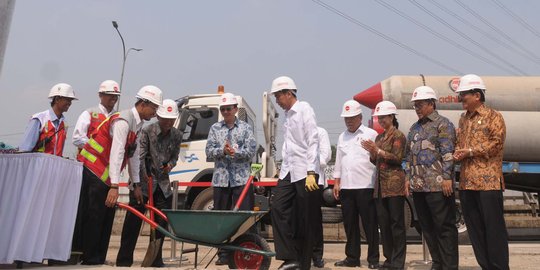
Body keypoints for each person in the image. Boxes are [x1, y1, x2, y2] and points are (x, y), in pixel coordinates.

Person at [74, 85, 163, 265]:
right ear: (143, 103)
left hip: (106, 174)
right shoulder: (123, 120)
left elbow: (134, 155)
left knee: (107, 215)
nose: (154, 113)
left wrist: (136, 185)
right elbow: (117, 153)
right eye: (153, 108)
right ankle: (89, 257)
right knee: (95, 214)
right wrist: (115, 186)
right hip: (94, 170)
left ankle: (98, 257)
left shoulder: (137, 124)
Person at [116, 99, 182, 267]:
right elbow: (139, 156)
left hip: (163, 186)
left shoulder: (177, 135)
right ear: (158, 117)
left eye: (171, 119)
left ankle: (155, 259)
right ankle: (124, 260)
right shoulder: (147, 131)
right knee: (133, 222)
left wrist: (170, 166)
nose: (168, 122)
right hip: (143, 185)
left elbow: (174, 157)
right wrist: (143, 179)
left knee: (160, 225)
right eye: (164, 119)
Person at [453, 74, 508, 270]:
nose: (461, 99)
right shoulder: (463, 119)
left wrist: (469, 151)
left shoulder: (494, 116)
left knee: (494, 230)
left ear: (477, 95)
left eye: (463, 95)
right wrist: (457, 152)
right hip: (467, 183)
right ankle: (485, 266)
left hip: (488, 184)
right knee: (475, 231)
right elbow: (460, 145)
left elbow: (496, 144)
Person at [269, 76, 321, 270]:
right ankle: (290, 256)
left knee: (305, 219)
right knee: (278, 208)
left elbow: (312, 140)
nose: (277, 101)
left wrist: (310, 171)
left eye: (278, 96)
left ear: (288, 93)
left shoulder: (304, 109)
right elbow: (289, 146)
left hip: (305, 172)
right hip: (289, 171)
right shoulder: (287, 115)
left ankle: (304, 263)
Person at [405, 86, 458, 270]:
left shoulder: (443, 124)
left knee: (444, 227)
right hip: (419, 187)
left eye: (420, 104)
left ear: (431, 104)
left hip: (438, 186)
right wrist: (408, 179)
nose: (417, 108)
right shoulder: (414, 128)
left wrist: (447, 178)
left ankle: (449, 265)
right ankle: (437, 262)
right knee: (427, 227)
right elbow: (409, 157)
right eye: (415, 105)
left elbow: (448, 154)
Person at [205, 93, 257, 265]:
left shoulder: (245, 128)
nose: (226, 111)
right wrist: (222, 151)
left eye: (229, 108)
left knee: (243, 219)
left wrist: (235, 153)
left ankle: (244, 253)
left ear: (235, 109)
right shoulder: (215, 129)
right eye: (223, 109)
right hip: (221, 180)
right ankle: (223, 254)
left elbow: (251, 152)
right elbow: (208, 152)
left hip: (241, 180)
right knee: (221, 219)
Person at [333, 100, 380, 269]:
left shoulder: (371, 134)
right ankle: (352, 257)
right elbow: (339, 160)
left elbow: (377, 159)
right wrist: (337, 182)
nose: (349, 121)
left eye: (352, 117)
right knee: (350, 224)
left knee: (369, 224)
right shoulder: (342, 136)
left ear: (360, 116)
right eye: (346, 118)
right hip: (347, 187)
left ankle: (373, 259)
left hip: (365, 186)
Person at [362, 100, 407, 270]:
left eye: (383, 117)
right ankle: (389, 260)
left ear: (391, 117)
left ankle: (398, 262)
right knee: (385, 225)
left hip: (394, 186)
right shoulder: (379, 137)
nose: (381, 120)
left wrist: (378, 151)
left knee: (397, 224)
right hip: (380, 187)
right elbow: (376, 161)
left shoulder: (398, 135)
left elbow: (397, 158)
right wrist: (372, 152)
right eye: (379, 118)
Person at [19, 83, 77, 156]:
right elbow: (25, 150)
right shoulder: (39, 119)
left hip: (55, 166)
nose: (70, 103)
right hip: (38, 166)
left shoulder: (64, 124)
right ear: (57, 99)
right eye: (67, 99)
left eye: (71, 100)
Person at [72, 80, 121, 150]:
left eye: (116, 95)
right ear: (100, 95)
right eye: (110, 95)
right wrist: (99, 147)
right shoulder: (88, 114)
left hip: (109, 160)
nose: (114, 98)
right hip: (87, 160)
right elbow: (77, 139)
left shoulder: (118, 117)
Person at [312, 126, 331, 268]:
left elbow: (326, 155)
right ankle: (302, 253)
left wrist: (311, 160)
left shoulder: (320, 132)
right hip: (296, 179)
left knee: (314, 220)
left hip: (314, 180)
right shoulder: (294, 131)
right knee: (299, 219)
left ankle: (317, 255)